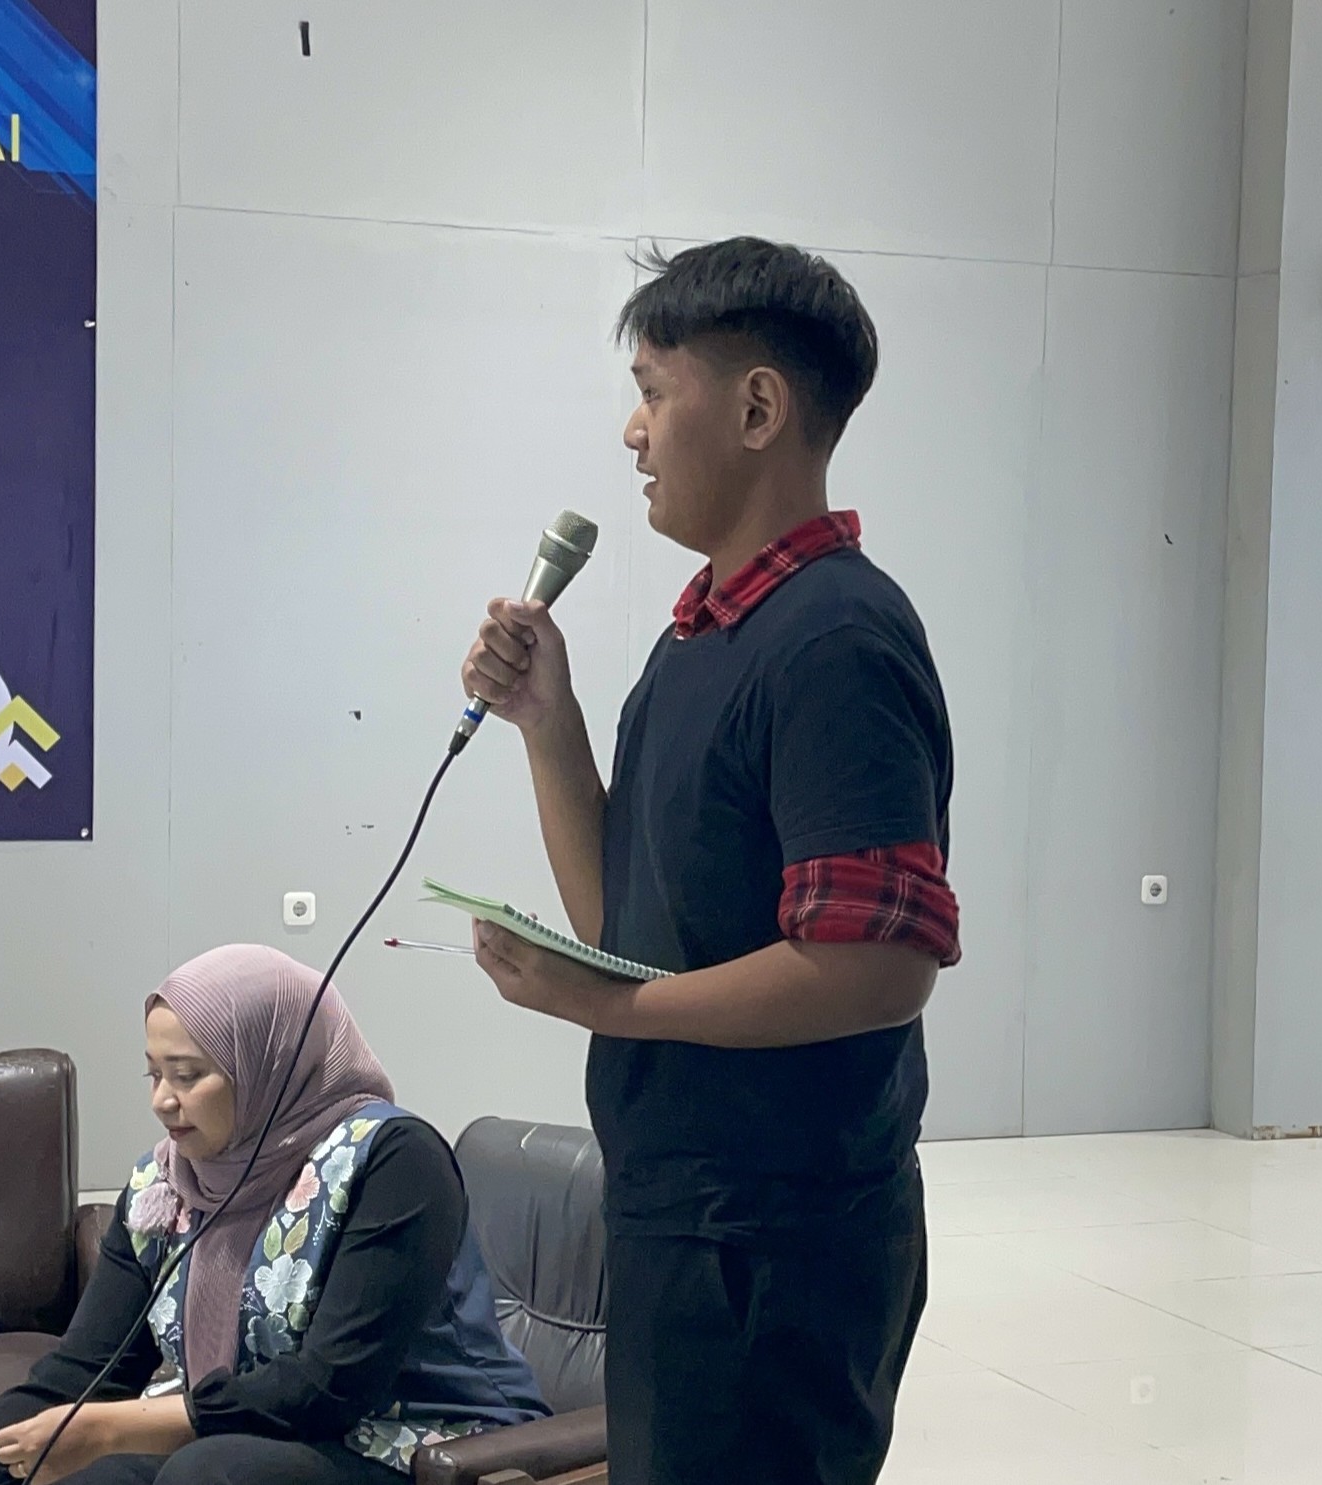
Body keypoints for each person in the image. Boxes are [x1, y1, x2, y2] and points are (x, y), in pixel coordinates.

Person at [459, 238, 959, 1485]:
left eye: (652, 390)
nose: (631, 432)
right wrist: (549, 726)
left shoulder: (836, 639)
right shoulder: (698, 640)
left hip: (777, 1243)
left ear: (756, 407)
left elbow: (876, 967)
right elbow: (625, 923)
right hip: (684, 1215)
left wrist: (608, 1010)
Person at [0, 945, 548, 1485]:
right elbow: (85, 1371)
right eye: (153, 1073)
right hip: (254, 1438)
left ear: (270, 1065)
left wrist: (114, 1426)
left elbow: (330, 1386)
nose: (162, 1101)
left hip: (423, 1444)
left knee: (208, 1473)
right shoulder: (163, 1185)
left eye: (187, 1074)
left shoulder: (392, 1159)